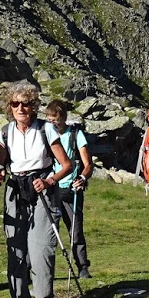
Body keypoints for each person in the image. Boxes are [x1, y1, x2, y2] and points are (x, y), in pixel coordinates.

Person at [0, 82, 73, 298]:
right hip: (15, 190)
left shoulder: (46, 129)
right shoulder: (5, 133)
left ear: (34, 106)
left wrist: (49, 181)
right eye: (15, 104)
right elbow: (1, 163)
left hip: (42, 191)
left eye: (26, 104)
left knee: (40, 247)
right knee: (15, 245)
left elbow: (68, 165)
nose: (21, 108)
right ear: (9, 106)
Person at [45, 100, 95, 279]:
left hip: (71, 189)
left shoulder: (76, 135)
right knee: (46, 231)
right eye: (49, 120)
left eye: (55, 120)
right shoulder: (45, 134)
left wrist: (82, 177)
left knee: (75, 230)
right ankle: (39, 270)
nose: (52, 124)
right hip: (50, 188)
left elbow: (88, 164)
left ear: (64, 118)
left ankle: (82, 267)